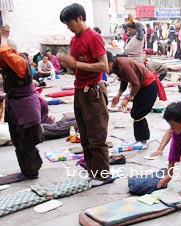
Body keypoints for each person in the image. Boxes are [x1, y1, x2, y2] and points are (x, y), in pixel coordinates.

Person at [58, 3, 110, 181]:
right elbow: (75, 67)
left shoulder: (93, 37)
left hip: (93, 91)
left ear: (80, 18)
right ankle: (92, 172)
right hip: (79, 89)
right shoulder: (74, 40)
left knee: (97, 137)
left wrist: (76, 64)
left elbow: (104, 66)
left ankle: (102, 175)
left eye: (69, 23)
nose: (68, 27)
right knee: (85, 137)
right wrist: (66, 64)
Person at [0, 34, 43, 179]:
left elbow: (3, 52)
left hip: (24, 108)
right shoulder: (9, 63)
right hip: (17, 106)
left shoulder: (20, 61)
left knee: (26, 141)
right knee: (18, 140)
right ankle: (27, 170)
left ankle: (31, 171)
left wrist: (3, 39)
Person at [108, 52, 166, 148]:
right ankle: (139, 139)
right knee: (135, 112)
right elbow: (124, 81)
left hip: (148, 86)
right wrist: (118, 95)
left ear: (110, 62)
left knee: (139, 113)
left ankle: (143, 141)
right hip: (142, 87)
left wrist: (127, 99)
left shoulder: (123, 65)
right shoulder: (116, 65)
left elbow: (135, 84)